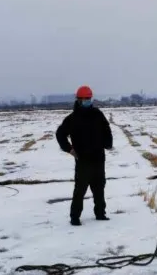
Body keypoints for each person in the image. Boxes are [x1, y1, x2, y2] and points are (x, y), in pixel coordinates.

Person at [55, 85, 113, 226]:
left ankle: (100, 214)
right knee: (80, 190)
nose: (88, 100)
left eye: (89, 98)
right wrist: (69, 149)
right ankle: (75, 217)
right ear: (79, 100)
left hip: (99, 159)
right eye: (85, 99)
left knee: (99, 188)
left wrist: (108, 143)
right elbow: (60, 134)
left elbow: (107, 130)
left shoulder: (98, 114)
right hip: (83, 161)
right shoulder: (72, 118)